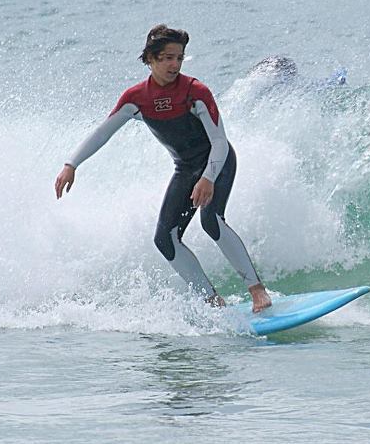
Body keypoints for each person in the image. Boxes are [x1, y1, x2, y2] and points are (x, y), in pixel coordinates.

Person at [54, 24, 272, 313]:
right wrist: (72, 164)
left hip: (217, 162)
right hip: (185, 169)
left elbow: (219, 142)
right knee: (165, 240)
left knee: (211, 221)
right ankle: (212, 301)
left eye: (179, 57)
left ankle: (257, 291)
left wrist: (208, 178)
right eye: (168, 57)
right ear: (151, 59)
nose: (174, 64)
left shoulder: (195, 92)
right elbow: (103, 132)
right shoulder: (136, 99)